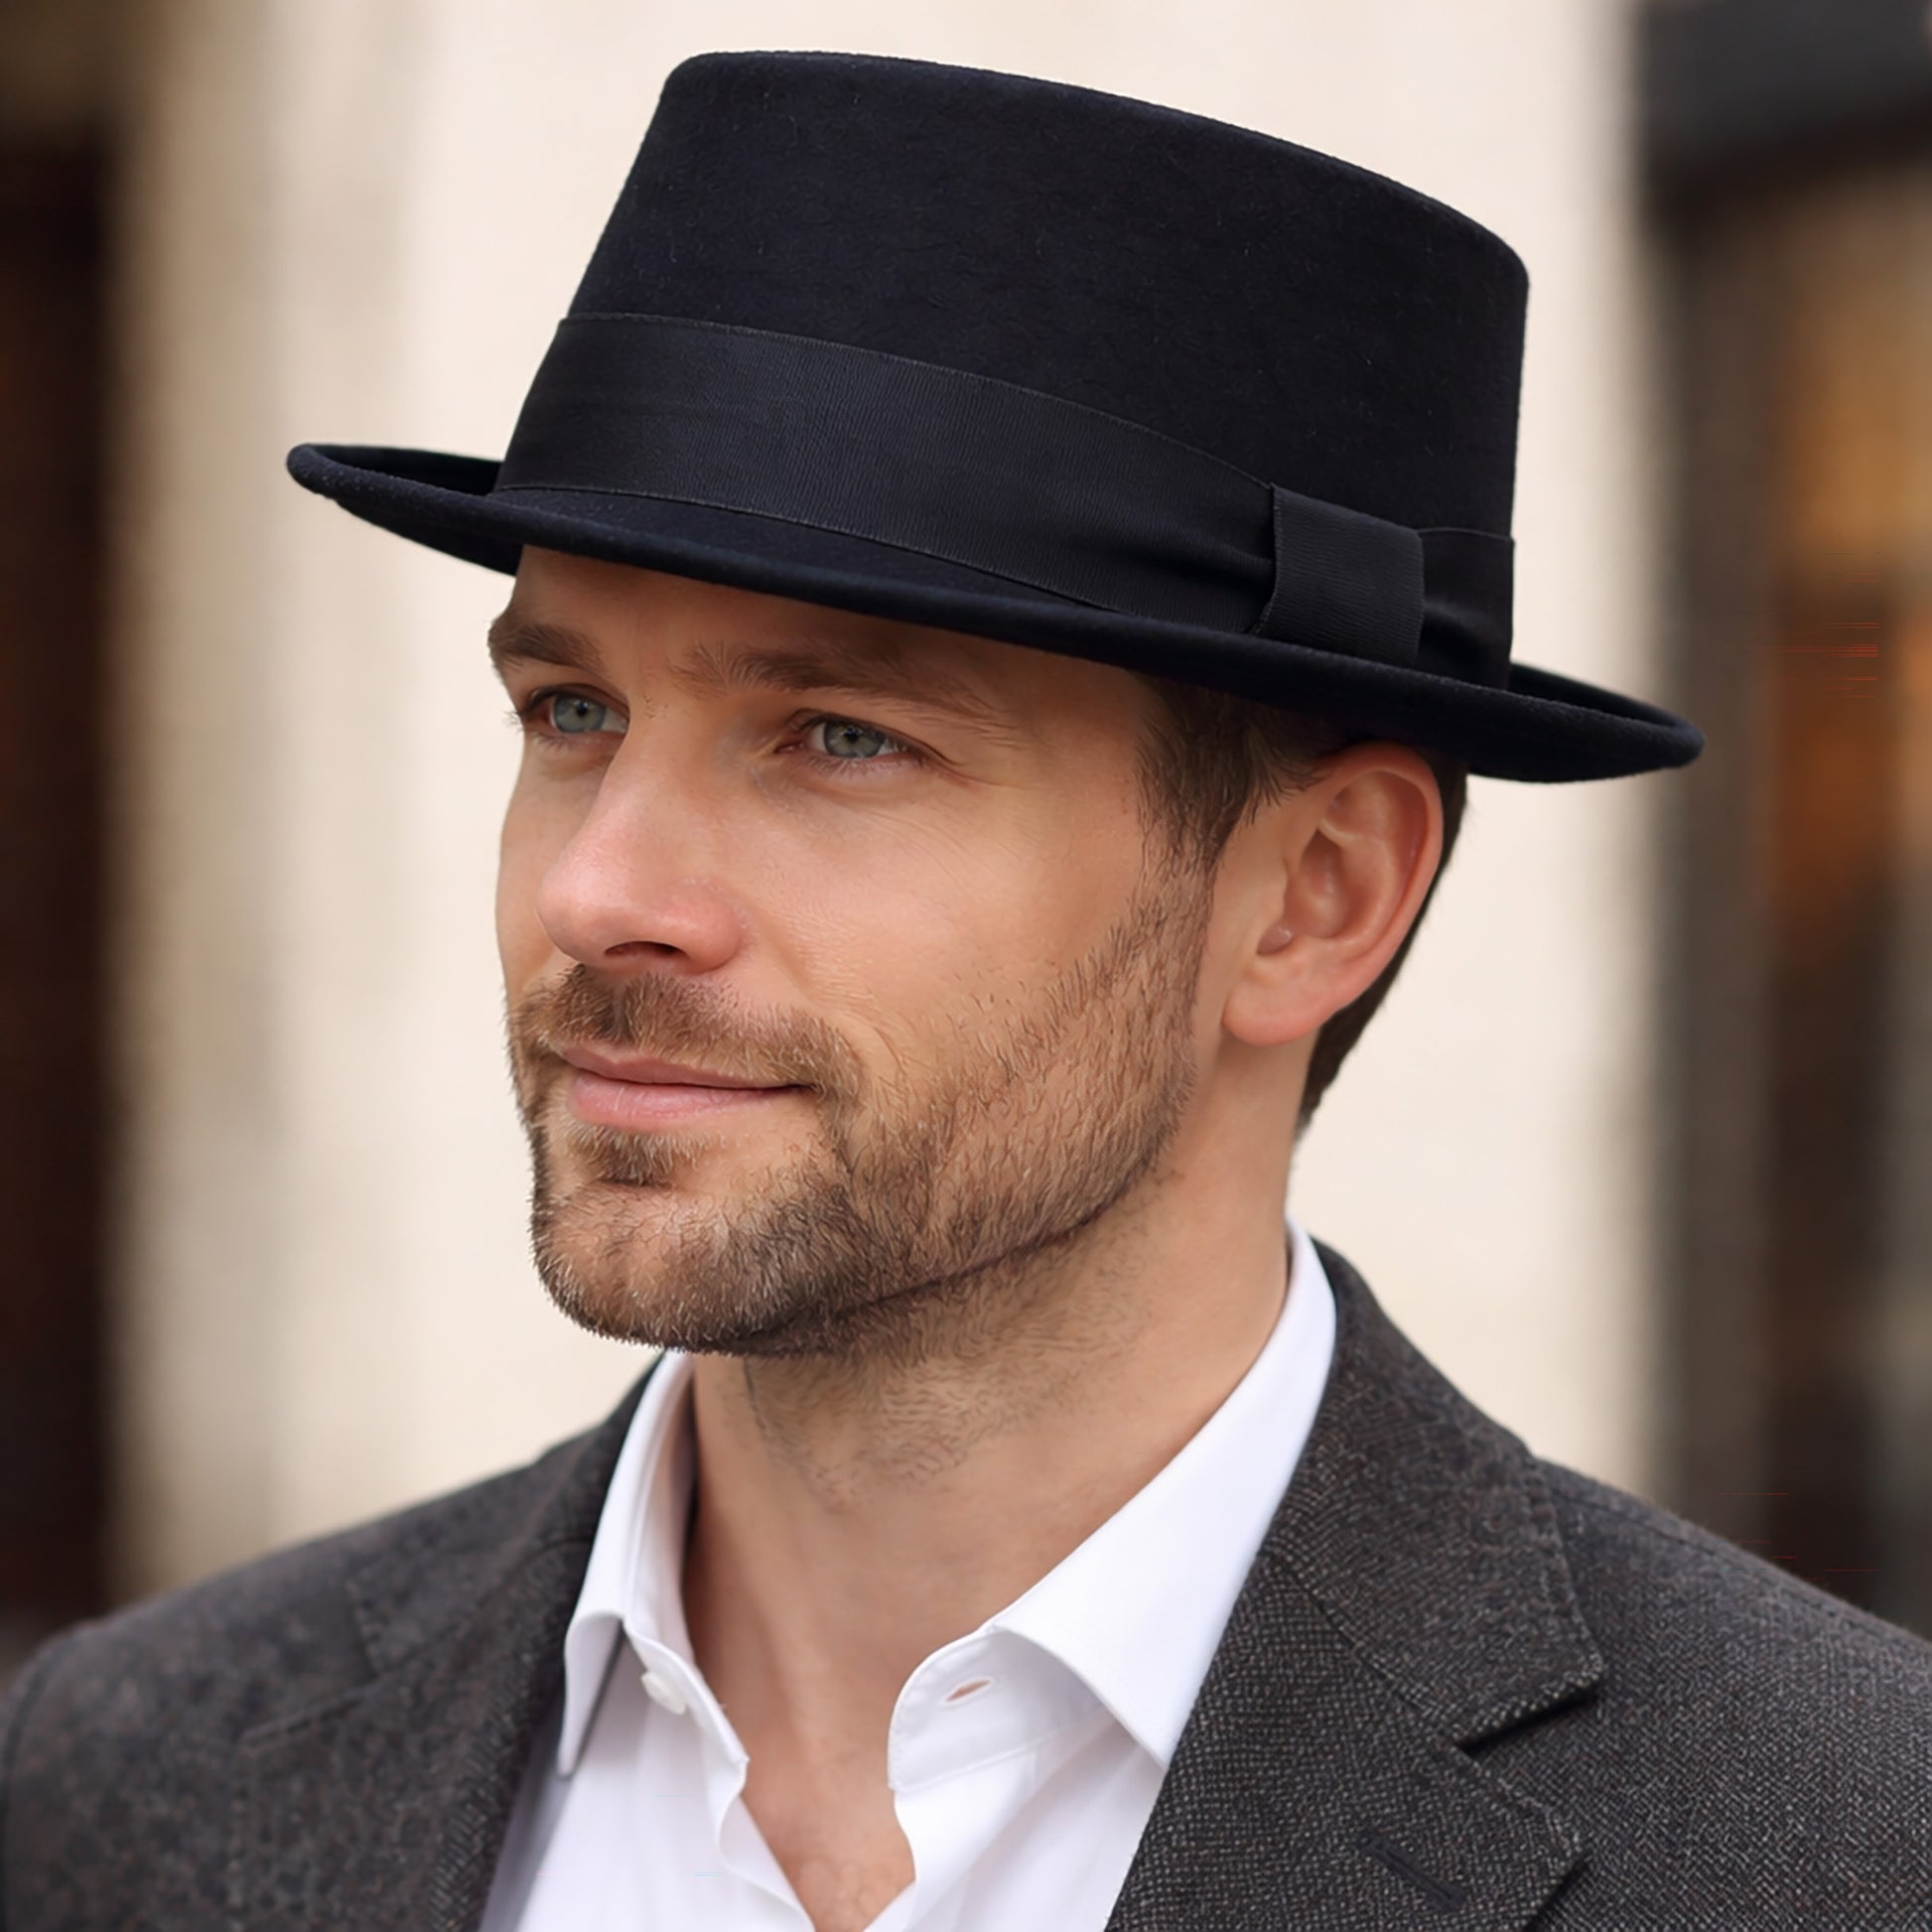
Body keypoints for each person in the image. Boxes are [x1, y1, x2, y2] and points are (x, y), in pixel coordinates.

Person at [3, 48, 1929, 1932]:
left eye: (839, 738)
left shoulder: (1834, 1842)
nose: (598, 890)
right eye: (570, 708)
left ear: (1311, 898)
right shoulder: (136, 1783)